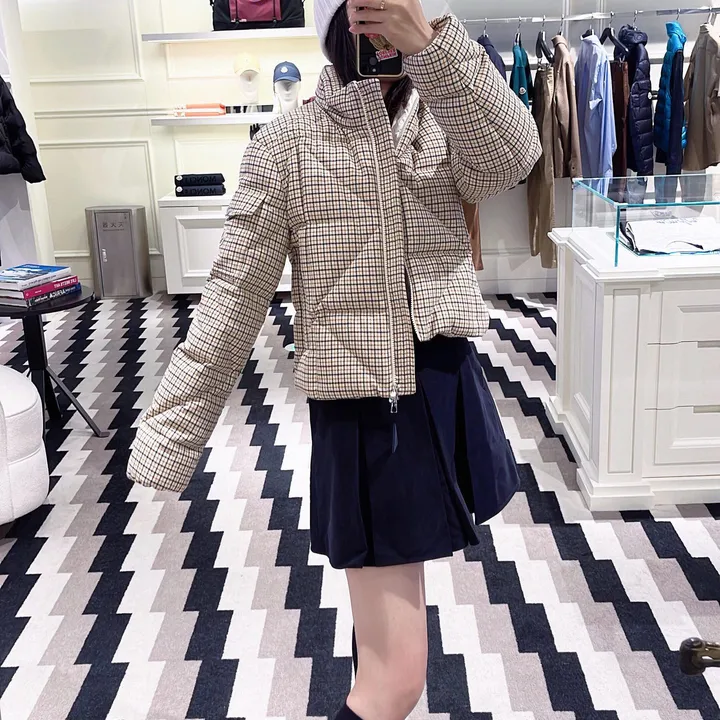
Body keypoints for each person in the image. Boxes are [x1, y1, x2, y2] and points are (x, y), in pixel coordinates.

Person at [127, 0, 541, 718]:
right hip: (366, 414)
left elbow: (513, 157)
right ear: (337, 22)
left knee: (389, 641)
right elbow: (233, 295)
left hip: (443, 385)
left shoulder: (446, 114)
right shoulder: (287, 145)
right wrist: (170, 435)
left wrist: (432, 47)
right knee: (396, 677)